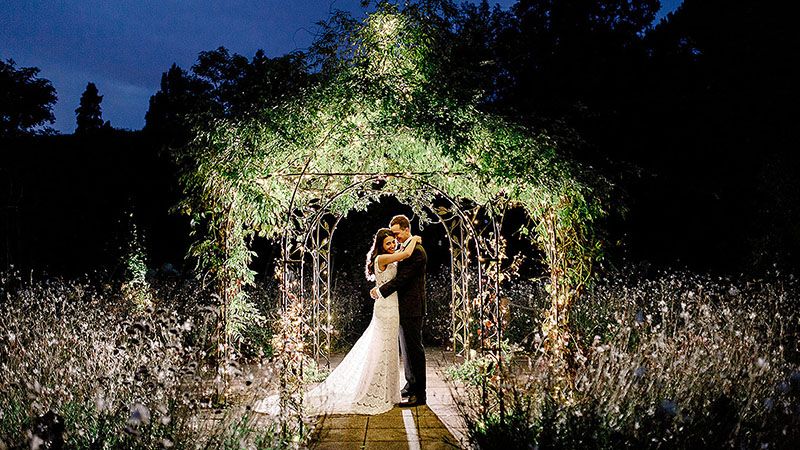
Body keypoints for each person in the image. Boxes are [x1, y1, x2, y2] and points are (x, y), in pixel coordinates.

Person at [254, 227, 421, 415]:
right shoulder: (381, 258)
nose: (392, 245)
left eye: (393, 242)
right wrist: (414, 238)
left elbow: (401, 259)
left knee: (388, 349)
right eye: (388, 243)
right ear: (380, 246)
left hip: (392, 307)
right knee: (382, 349)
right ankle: (375, 391)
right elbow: (406, 254)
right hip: (386, 310)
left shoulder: (389, 256)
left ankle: (388, 392)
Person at [370, 215, 427, 407]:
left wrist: (380, 291)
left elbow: (402, 279)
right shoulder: (404, 248)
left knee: (414, 350)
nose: (395, 238)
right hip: (400, 307)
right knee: (407, 350)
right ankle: (411, 385)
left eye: (397, 233)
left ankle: (420, 394)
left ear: (406, 229)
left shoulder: (417, 251)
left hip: (412, 307)